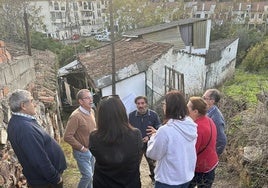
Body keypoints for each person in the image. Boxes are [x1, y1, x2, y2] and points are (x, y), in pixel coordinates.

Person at [7, 89, 66, 188]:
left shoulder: (21, 121)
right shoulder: (24, 128)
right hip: (46, 182)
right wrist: (56, 178)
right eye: (31, 101)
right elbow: (39, 159)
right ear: (23, 106)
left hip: (43, 180)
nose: (34, 104)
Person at [89, 95, 143, 188]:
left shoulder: (94, 137)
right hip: (130, 183)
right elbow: (137, 157)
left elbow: (96, 154)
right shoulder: (135, 134)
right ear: (123, 112)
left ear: (101, 115)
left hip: (103, 183)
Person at [146, 90, 198, 188]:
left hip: (168, 180)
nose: (163, 106)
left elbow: (153, 154)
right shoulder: (190, 124)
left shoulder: (165, 130)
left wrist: (153, 137)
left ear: (169, 107)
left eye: (164, 103)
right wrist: (159, 135)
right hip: (186, 177)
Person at [63, 89, 96, 188]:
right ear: (80, 101)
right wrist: (82, 148)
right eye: (87, 98)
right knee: (88, 176)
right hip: (82, 152)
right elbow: (67, 136)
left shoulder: (92, 112)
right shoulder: (76, 116)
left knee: (92, 176)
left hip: (92, 150)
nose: (91, 100)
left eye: (91, 97)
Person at [187, 96, 219, 188]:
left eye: (188, 107)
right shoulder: (209, 120)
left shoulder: (196, 128)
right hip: (211, 163)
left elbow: (191, 153)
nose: (185, 109)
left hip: (201, 168)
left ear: (195, 111)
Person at [128, 95, 161, 182]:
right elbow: (127, 130)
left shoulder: (153, 115)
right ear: (136, 105)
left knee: (153, 165)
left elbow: (159, 129)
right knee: (134, 165)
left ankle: (154, 180)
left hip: (150, 144)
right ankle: (134, 181)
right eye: (138, 103)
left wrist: (149, 137)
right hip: (136, 145)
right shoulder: (131, 116)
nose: (140, 105)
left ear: (146, 104)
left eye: (142, 103)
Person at [203, 89, 227, 156]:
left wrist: (213, 154)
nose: (202, 100)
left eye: (204, 98)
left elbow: (222, 141)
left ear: (212, 101)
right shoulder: (207, 111)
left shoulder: (216, 118)